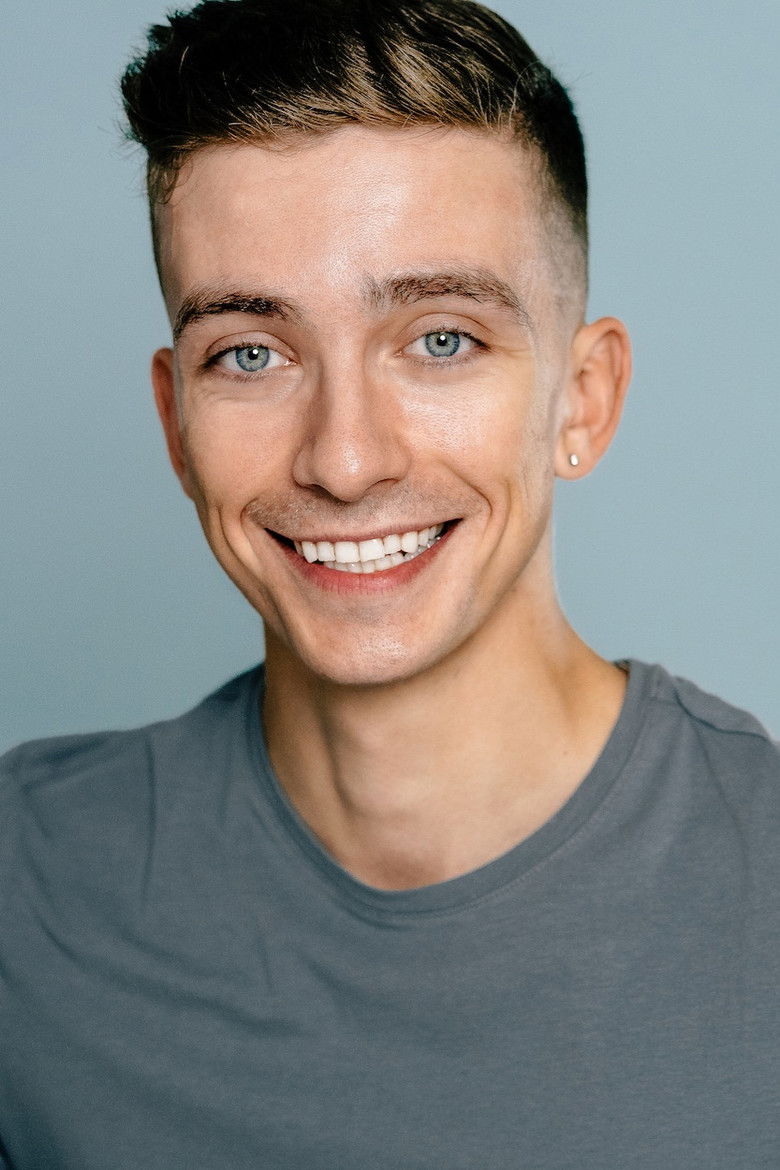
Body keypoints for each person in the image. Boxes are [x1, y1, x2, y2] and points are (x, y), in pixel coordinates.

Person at [1, 0, 777, 1165]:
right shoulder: (25, 892)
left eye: (441, 339)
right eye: (250, 354)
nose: (345, 459)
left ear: (584, 400)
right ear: (175, 425)